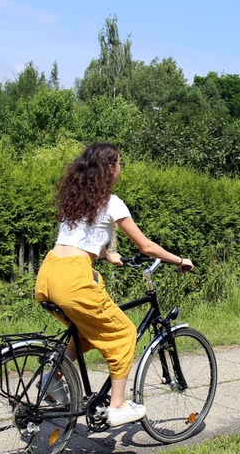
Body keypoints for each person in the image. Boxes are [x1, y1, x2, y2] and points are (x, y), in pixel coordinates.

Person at [34, 142, 193, 426]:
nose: (121, 168)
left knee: (86, 332)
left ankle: (52, 377)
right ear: (110, 168)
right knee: (123, 335)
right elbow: (145, 246)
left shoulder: (77, 198)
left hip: (48, 276)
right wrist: (179, 259)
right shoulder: (111, 202)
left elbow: (79, 239)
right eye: (120, 164)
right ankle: (118, 406)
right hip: (74, 280)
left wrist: (107, 255)